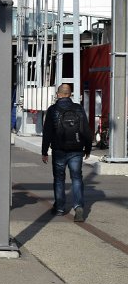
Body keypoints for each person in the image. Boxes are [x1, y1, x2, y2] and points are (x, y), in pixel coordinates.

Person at [41, 83, 91, 221]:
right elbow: (86, 130)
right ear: (70, 94)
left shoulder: (53, 109)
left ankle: (60, 208)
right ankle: (78, 207)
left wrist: (44, 151)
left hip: (59, 150)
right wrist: (87, 149)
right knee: (77, 178)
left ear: (59, 94)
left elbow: (47, 132)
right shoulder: (78, 108)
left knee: (59, 179)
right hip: (76, 150)